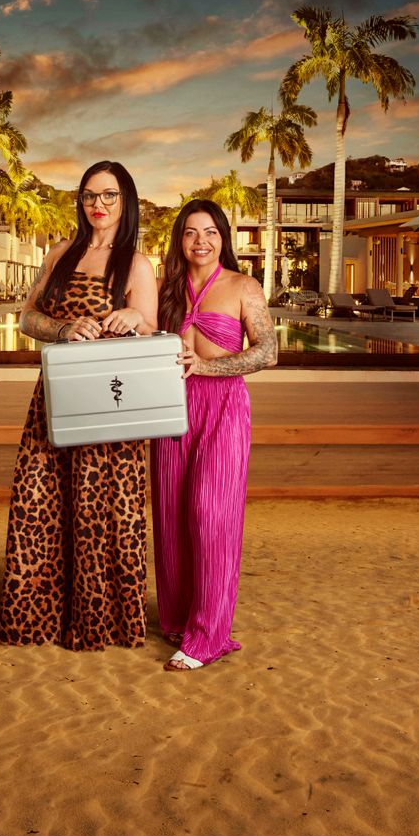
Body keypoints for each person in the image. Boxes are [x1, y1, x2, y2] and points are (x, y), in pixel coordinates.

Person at [0, 160, 158, 651]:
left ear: (126, 201)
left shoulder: (136, 264)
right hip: (54, 398)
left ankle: (99, 621)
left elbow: (152, 331)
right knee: (39, 503)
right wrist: (64, 328)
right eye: (90, 195)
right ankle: (38, 619)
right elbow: (27, 317)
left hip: (108, 404)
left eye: (109, 195)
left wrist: (133, 317)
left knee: (100, 512)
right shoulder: (60, 253)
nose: (98, 204)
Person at [151, 199, 278, 671]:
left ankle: (208, 637)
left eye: (210, 232)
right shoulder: (166, 289)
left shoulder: (243, 286)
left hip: (223, 407)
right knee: (171, 515)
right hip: (170, 408)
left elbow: (268, 352)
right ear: (179, 240)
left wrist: (206, 366)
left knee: (211, 514)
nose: (200, 241)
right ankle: (179, 619)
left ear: (223, 238)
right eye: (190, 232)